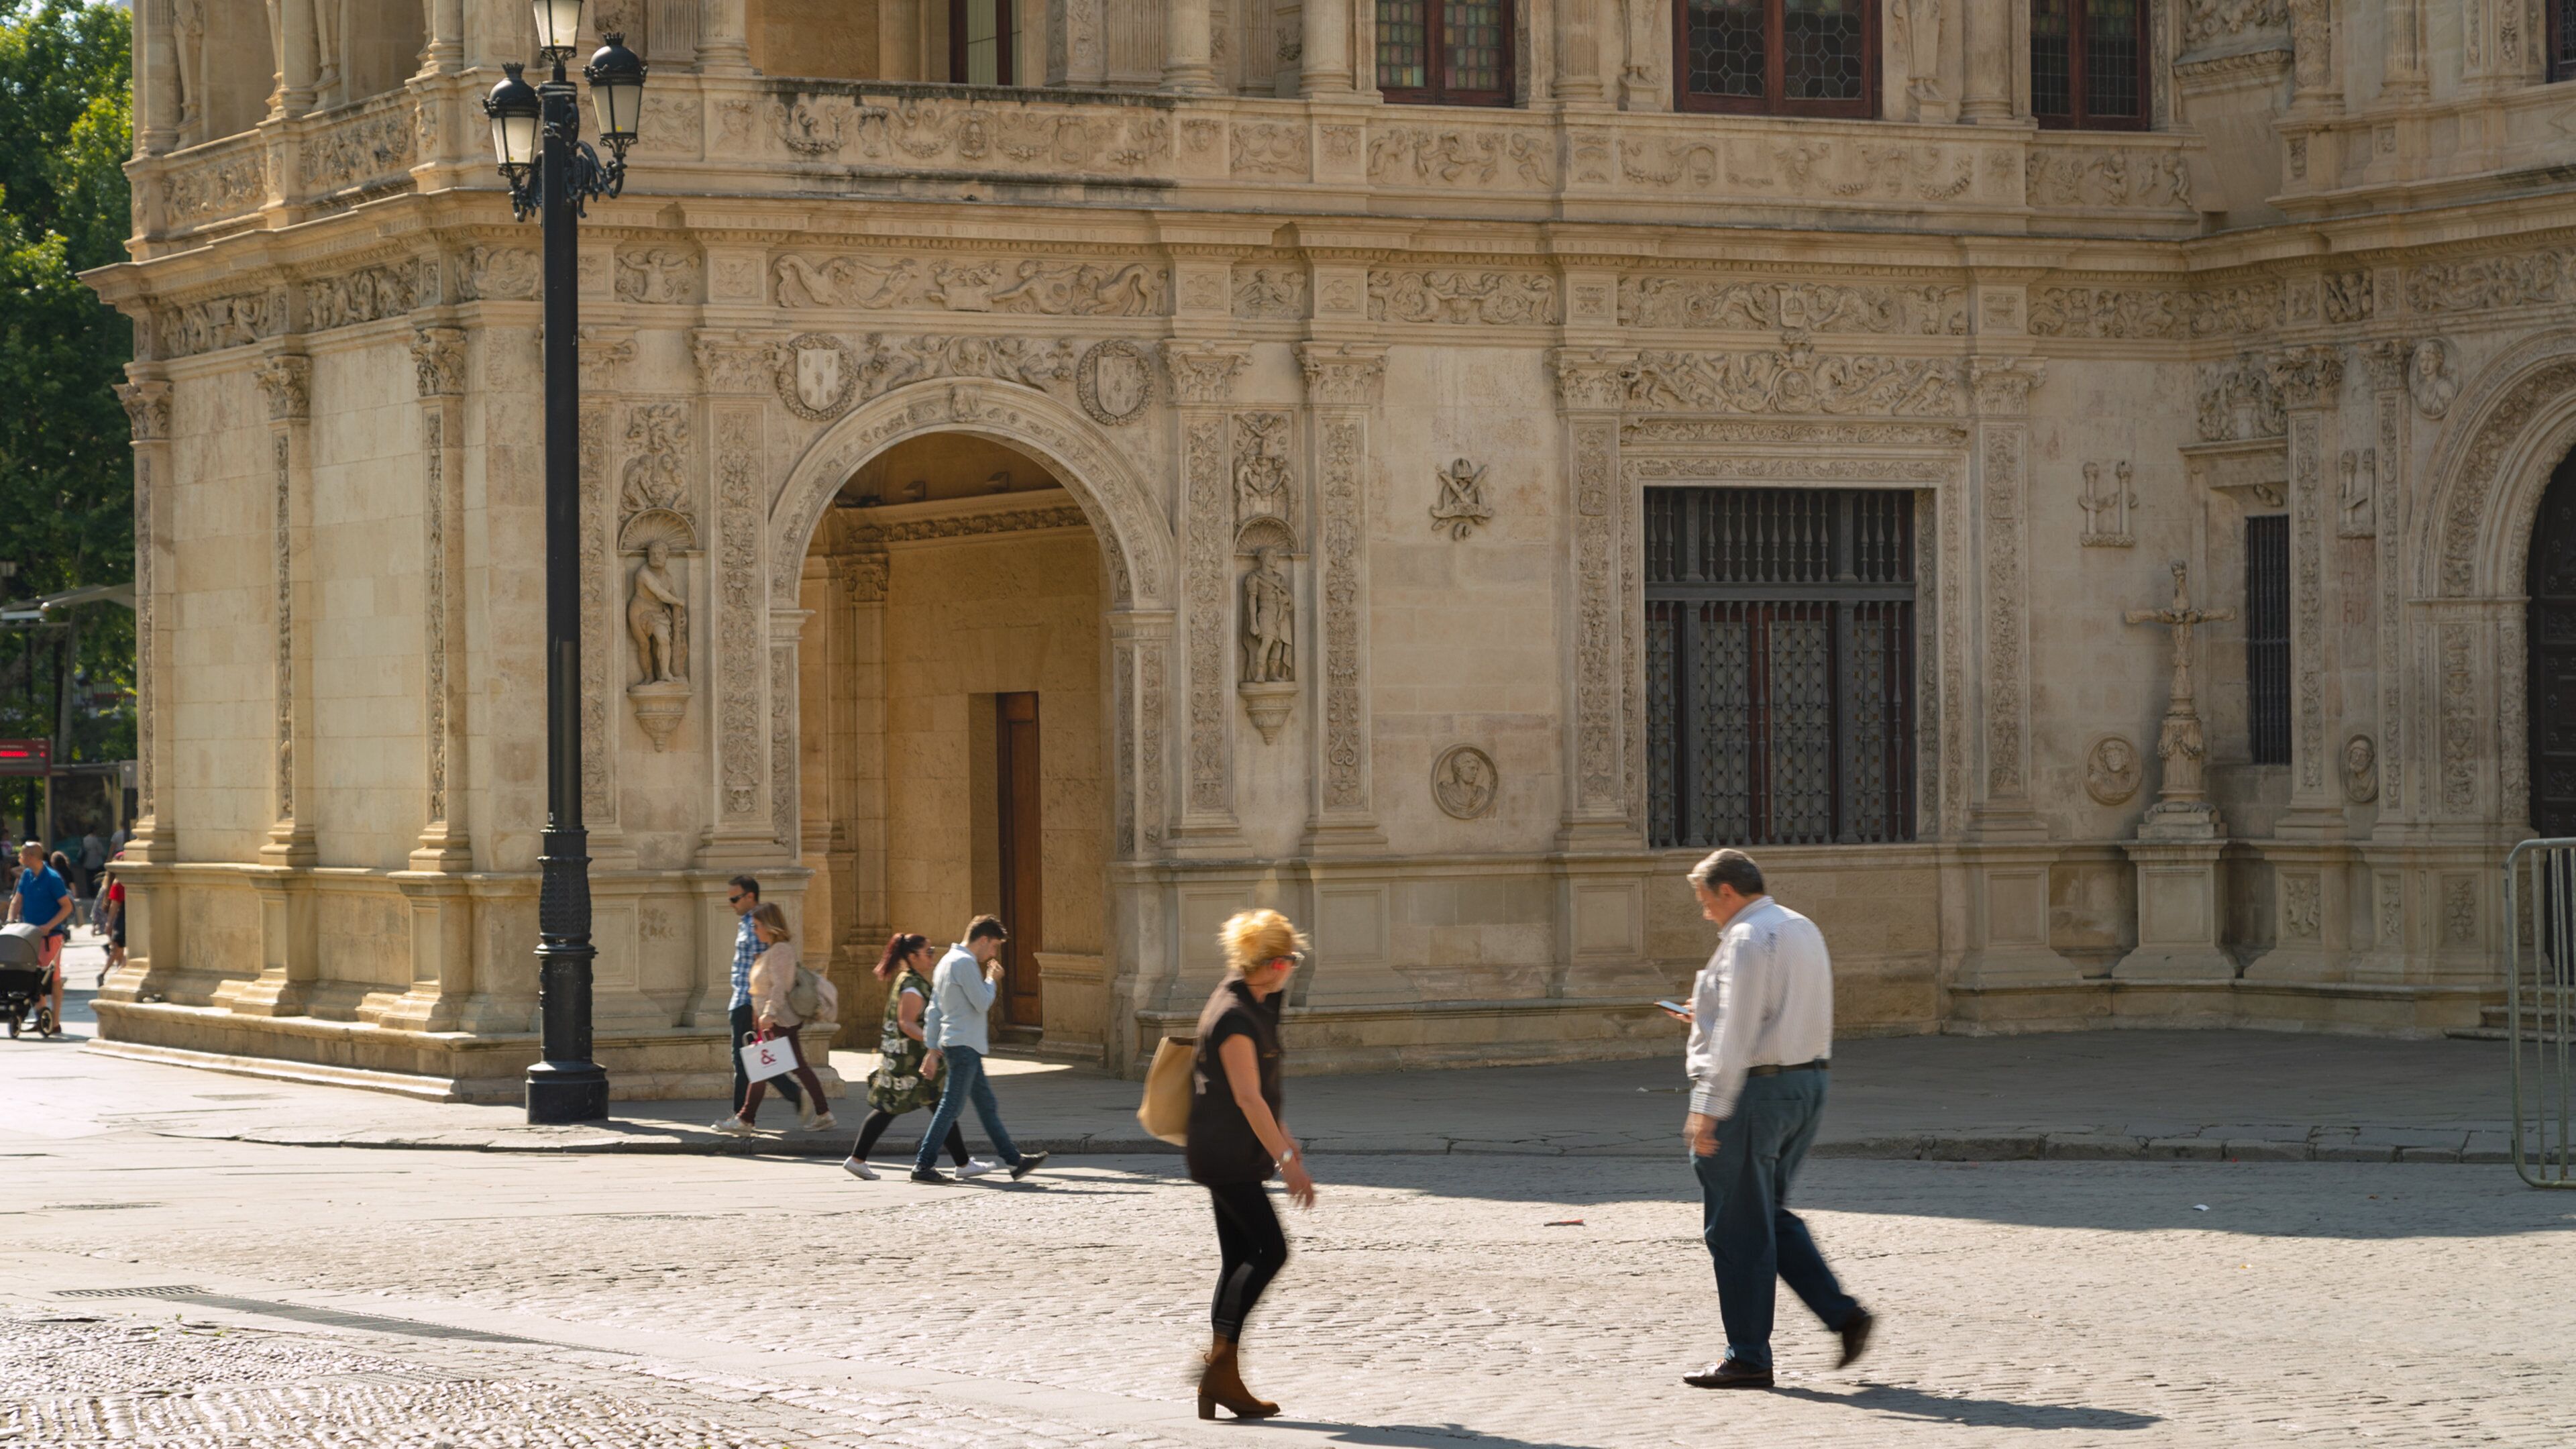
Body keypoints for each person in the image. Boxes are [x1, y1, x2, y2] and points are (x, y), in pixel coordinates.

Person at [1664, 849, 1872, 1391]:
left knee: (1736, 1228)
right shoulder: (1801, 927)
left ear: (1728, 891)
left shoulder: (1747, 939)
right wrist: (1699, 1011)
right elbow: (1775, 1010)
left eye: (1706, 901)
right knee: (1764, 1214)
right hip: (1808, 1084)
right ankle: (1843, 1314)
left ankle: (1749, 1356)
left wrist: (1707, 1109)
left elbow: (1736, 1034)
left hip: (1756, 1091)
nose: (1706, 912)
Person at [1186, 908, 1318, 1421]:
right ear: (1272, 962)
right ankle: (1219, 1367)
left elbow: (1264, 1089)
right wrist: (1286, 1160)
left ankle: (1220, 1376)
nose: (1292, 967)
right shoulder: (1234, 1017)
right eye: (1289, 959)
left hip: (1230, 1151)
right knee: (1270, 1250)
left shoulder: (1258, 1000)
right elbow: (1248, 1097)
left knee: (1240, 1255)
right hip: (1226, 1154)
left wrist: (1286, 1141)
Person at [839, 932, 994, 1181]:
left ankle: (963, 1163)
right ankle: (857, 1159)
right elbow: (906, 1023)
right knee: (900, 1108)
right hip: (910, 1063)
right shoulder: (912, 985)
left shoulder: (909, 980)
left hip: (908, 1061)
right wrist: (933, 1042)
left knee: (936, 1106)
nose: (932, 957)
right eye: (928, 952)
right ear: (912, 956)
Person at [909, 915, 1049, 1184]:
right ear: (983, 940)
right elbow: (982, 1002)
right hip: (964, 1046)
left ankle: (1015, 1161)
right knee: (950, 1108)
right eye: (994, 946)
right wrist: (991, 978)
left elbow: (934, 1010)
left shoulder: (946, 962)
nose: (994, 952)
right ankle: (923, 1165)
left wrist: (931, 1048)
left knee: (986, 1107)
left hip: (961, 1044)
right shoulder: (964, 963)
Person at [712, 903, 835, 1135]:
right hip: (773, 1020)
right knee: (792, 1067)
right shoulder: (773, 951)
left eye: (757, 926)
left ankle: (745, 1119)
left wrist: (768, 1013)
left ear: (770, 926)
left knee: (761, 1068)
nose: (755, 930)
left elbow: (781, 986)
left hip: (778, 1020)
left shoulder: (780, 951)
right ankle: (824, 1113)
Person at [720, 876, 804, 1122]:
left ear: (750, 897)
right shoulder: (747, 923)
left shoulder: (755, 925)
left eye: (735, 899)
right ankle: (789, 1095)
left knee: (744, 1058)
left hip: (748, 1001)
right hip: (742, 998)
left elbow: (763, 966)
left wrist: (760, 1007)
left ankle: (744, 1115)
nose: (731, 904)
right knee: (751, 1058)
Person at [9, 842, 72, 1033]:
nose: (20, 859)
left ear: (33, 856)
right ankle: (42, 1016)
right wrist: (11, 919)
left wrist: (48, 926)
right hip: (28, 935)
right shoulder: (27, 875)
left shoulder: (53, 878)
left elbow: (67, 906)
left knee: (52, 978)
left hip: (50, 936)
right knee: (33, 977)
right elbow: (17, 900)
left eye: (23, 856)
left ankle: (55, 1022)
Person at [99, 863, 125, 985]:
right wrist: (109, 923)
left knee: (117, 951)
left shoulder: (117, 883)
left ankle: (110, 974)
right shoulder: (119, 883)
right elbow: (114, 904)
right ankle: (112, 975)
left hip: (121, 920)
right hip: (123, 920)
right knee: (118, 951)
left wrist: (109, 923)